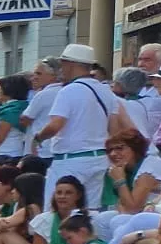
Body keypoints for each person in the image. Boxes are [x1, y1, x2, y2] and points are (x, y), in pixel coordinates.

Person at [30, 45, 120, 209]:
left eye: (63, 63)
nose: (61, 68)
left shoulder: (68, 91)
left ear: (71, 64)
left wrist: (38, 138)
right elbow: (113, 129)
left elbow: (56, 124)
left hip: (70, 160)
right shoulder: (106, 91)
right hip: (99, 158)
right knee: (89, 213)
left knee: (54, 211)